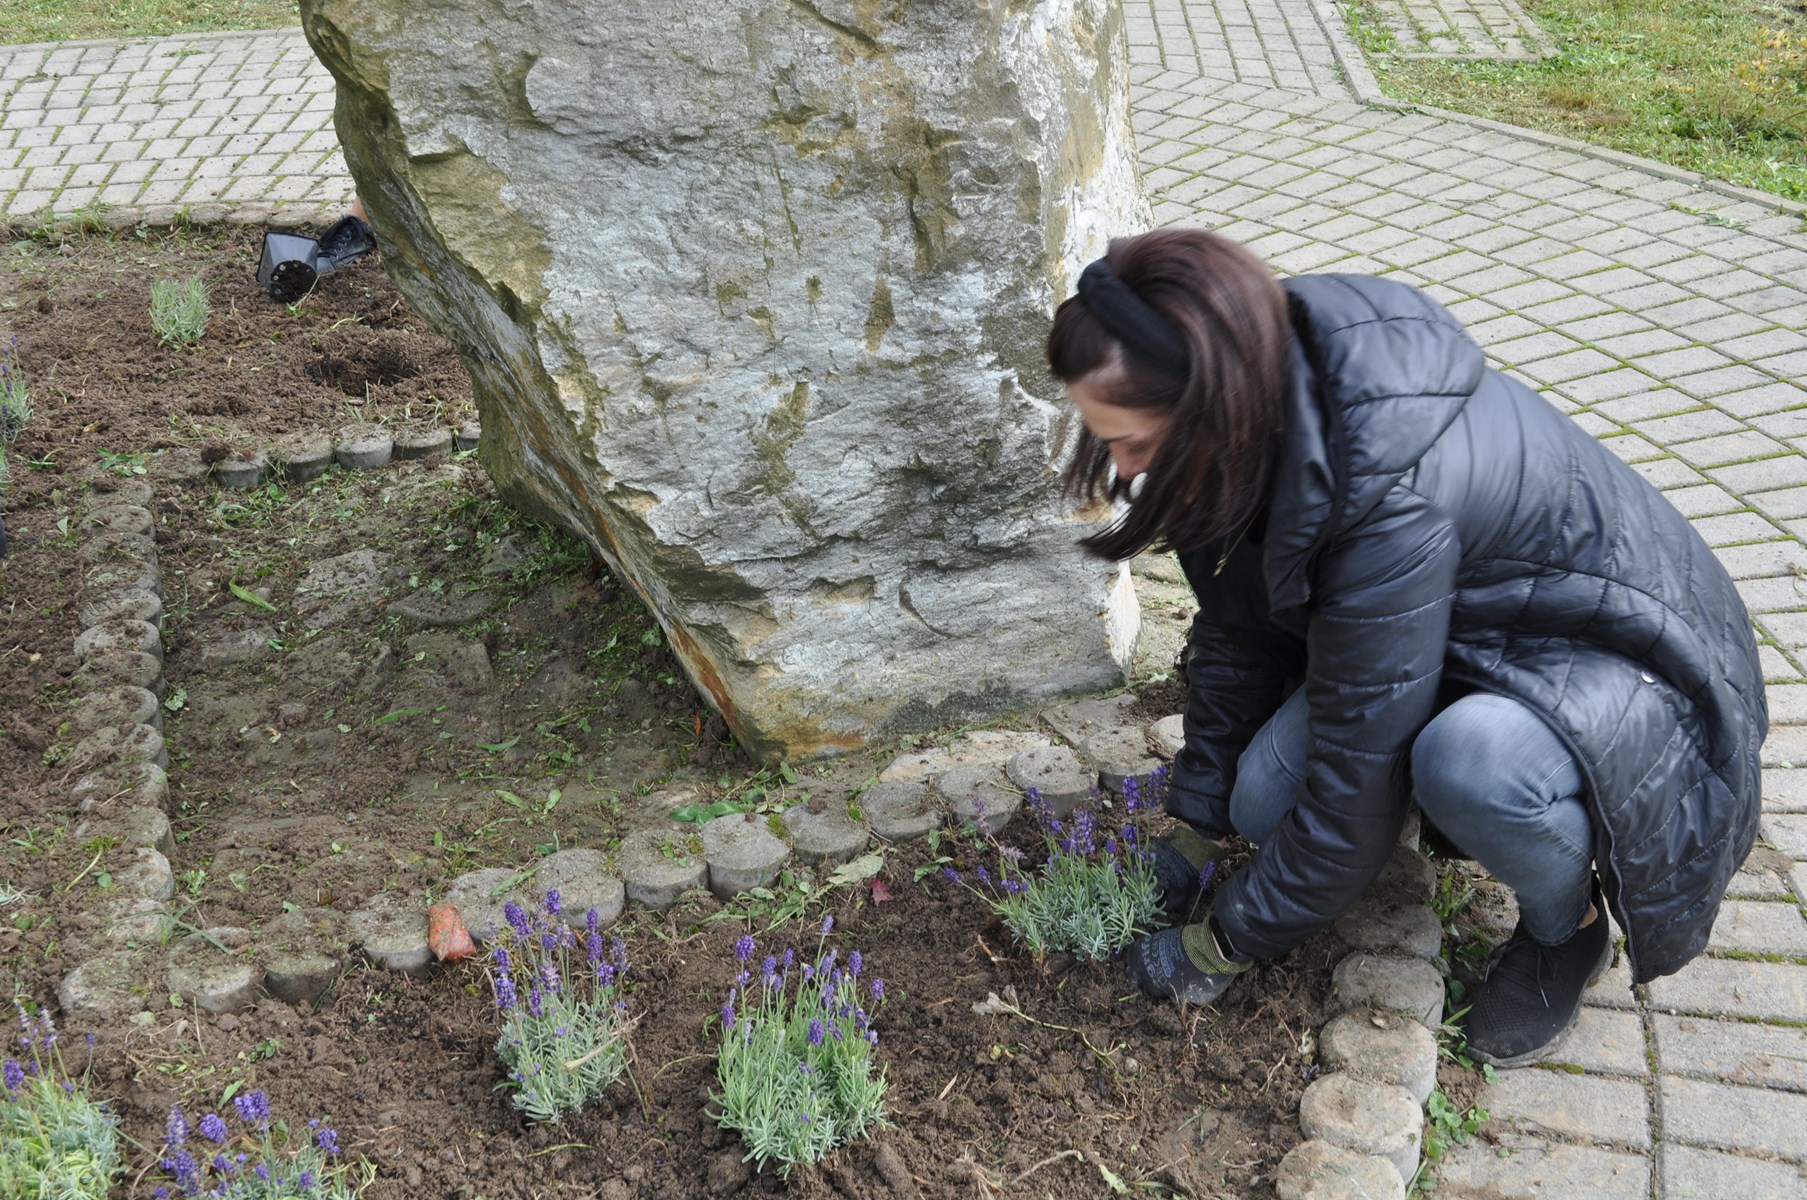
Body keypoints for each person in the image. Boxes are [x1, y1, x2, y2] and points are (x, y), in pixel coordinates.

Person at [1047, 229, 1767, 1066]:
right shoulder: (1257, 411)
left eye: (1132, 442)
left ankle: (1564, 930)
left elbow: (1350, 786)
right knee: (1256, 802)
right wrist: (1193, 834)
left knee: (1469, 765)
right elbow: (1237, 630)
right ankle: (1424, 793)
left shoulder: (1384, 496)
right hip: (1465, 634)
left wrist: (1221, 945)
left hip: (1623, 657)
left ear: (1212, 405)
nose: (1122, 469)